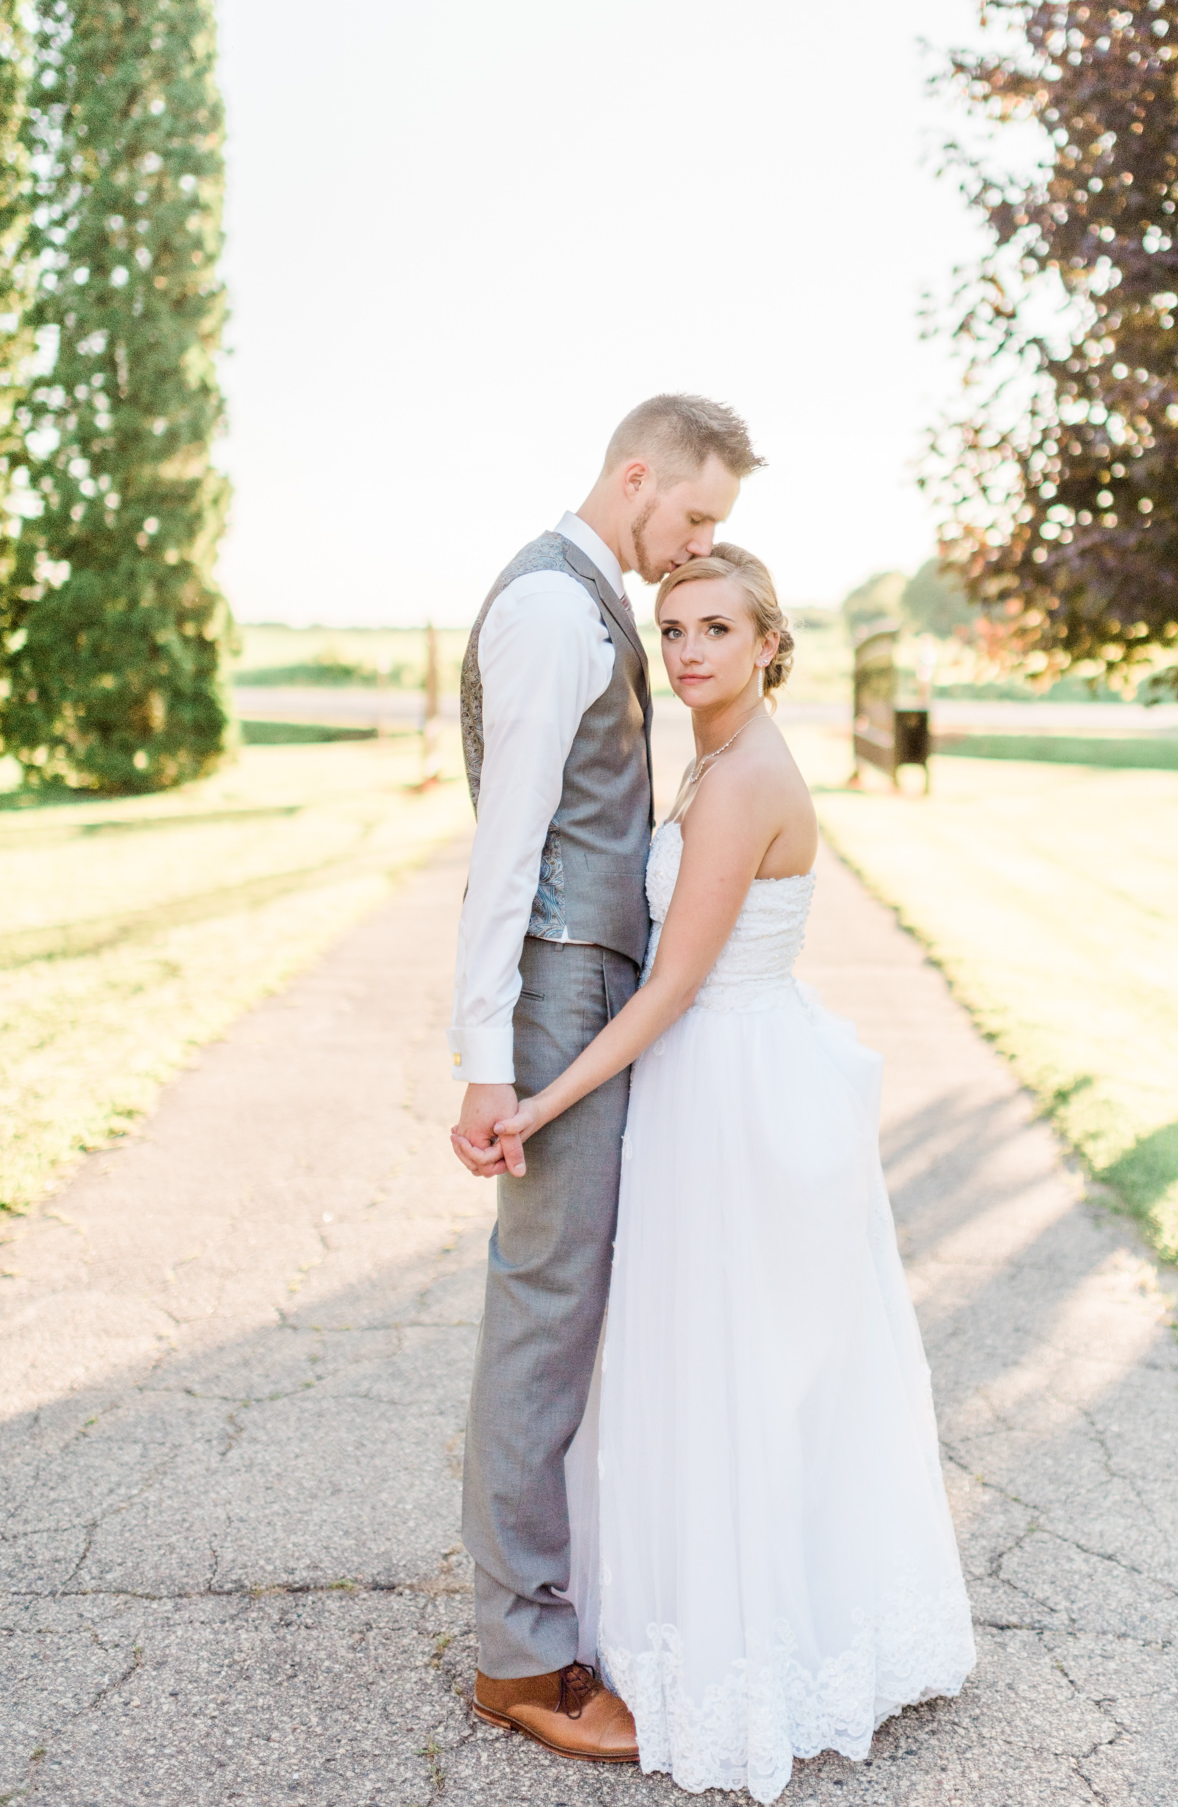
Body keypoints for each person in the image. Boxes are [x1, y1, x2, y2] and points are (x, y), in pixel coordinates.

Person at [488, 545, 976, 1802]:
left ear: (769, 642)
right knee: (712, 1358)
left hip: (730, 1089)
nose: (689, 649)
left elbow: (672, 988)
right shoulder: (711, 757)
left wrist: (536, 1095)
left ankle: (742, 1641)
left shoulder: (739, 779)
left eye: (716, 628)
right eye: (672, 628)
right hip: (725, 1069)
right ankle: (715, 1612)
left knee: (732, 1366)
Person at [448, 394, 765, 1764]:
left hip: (593, 980)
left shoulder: (592, 609)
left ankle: (552, 1601)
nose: (696, 544)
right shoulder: (553, 614)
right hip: (559, 988)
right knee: (544, 1310)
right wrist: (482, 1061)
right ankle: (520, 1661)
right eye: (693, 516)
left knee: (571, 1310)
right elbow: (505, 853)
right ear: (635, 477)